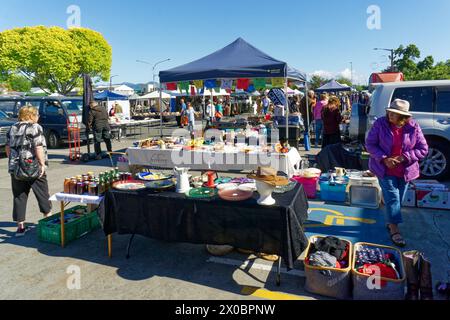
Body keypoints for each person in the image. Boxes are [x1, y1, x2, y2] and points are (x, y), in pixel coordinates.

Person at [366, 99, 428, 247]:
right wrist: (384, 158)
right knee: (393, 198)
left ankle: (389, 210)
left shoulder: (414, 127)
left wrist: (404, 157)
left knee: (398, 199)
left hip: (406, 171)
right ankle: (394, 228)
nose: (390, 115)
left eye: (395, 114)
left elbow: (423, 149)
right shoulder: (380, 123)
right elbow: (370, 144)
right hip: (384, 169)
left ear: (403, 117)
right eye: (390, 112)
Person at [5, 106, 52, 236]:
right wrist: (42, 164)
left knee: (19, 196)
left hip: (16, 168)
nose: (38, 117)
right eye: (37, 115)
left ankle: (20, 227)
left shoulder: (12, 127)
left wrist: (13, 161)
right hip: (33, 166)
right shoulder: (35, 127)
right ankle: (48, 222)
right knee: (43, 194)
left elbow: (8, 148)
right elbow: (38, 147)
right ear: (31, 115)